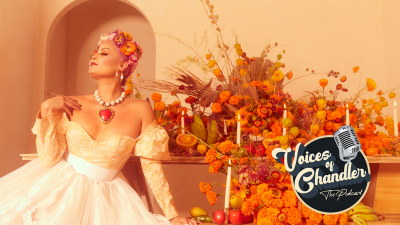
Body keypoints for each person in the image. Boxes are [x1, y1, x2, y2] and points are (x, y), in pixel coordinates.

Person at [0, 29, 200, 225]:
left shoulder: (141, 109)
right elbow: (48, 158)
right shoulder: (70, 104)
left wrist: (172, 215)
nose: (94, 56)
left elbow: (152, 168)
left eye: (103, 53)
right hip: (58, 188)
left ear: (122, 64)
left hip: (108, 198)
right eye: (93, 53)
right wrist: (46, 109)